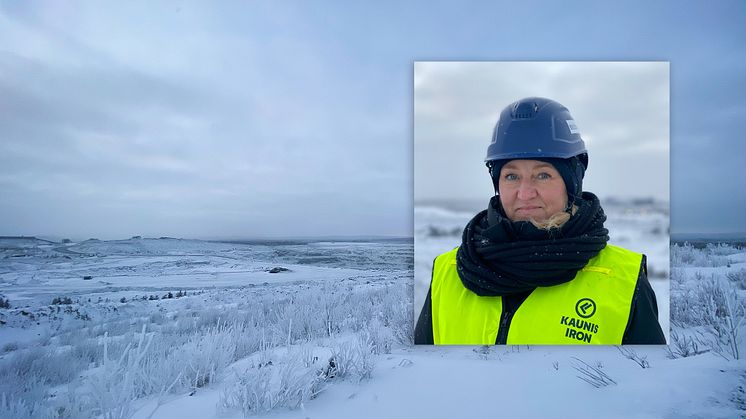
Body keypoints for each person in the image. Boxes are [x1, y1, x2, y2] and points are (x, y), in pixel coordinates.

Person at [414, 97, 666, 345]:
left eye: (543, 175)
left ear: (572, 183)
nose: (525, 193)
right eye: (511, 176)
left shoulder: (623, 280)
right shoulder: (449, 272)